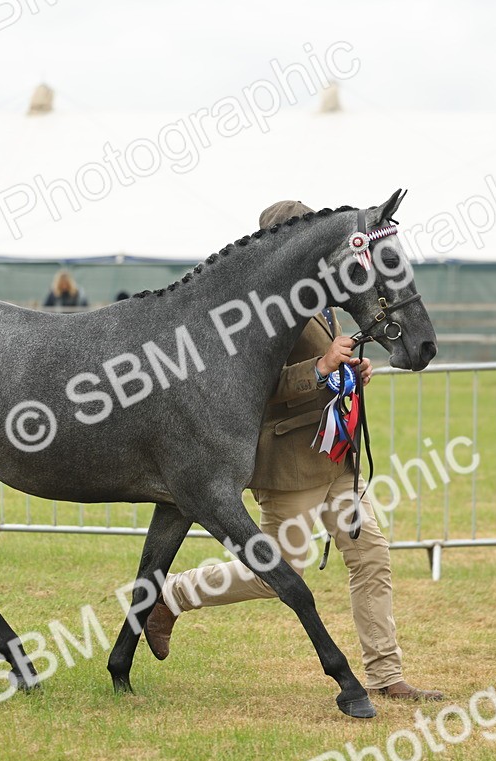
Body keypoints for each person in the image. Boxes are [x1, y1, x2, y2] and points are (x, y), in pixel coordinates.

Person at [144, 200, 443, 703]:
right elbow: (256, 391)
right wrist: (322, 368)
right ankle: (171, 595)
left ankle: (387, 676)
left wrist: (348, 373)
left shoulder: (323, 298)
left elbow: (328, 365)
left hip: (336, 458)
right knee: (272, 575)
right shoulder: (259, 313)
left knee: (371, 558)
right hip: (289, 462)